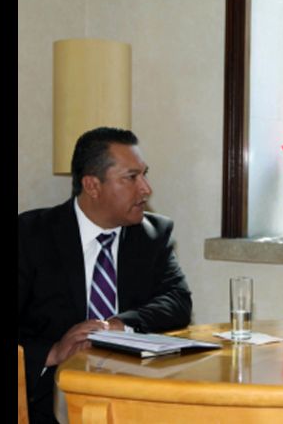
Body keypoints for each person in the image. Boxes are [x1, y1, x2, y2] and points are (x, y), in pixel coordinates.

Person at [18, 127, 193, 424]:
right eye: (131, 177)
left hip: (134, 396)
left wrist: (118, 325)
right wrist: (52, 352)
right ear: (92, 185)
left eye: (144, 174)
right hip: (47, 400)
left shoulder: (152, 235)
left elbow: (177, 302)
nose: (146, 188)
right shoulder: (31, 235)